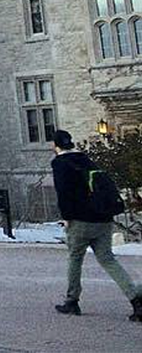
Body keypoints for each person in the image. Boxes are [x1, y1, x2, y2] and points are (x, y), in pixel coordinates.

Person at [51, 128, 142, 321]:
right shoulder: (86, 160)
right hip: (103, 218)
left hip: (80, 220)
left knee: (75, 258)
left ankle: (72, 301)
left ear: (55, 146)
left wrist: (66, 218)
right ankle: (135, 299)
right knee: (108, 260)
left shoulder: (60, 163)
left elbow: (63, 193)